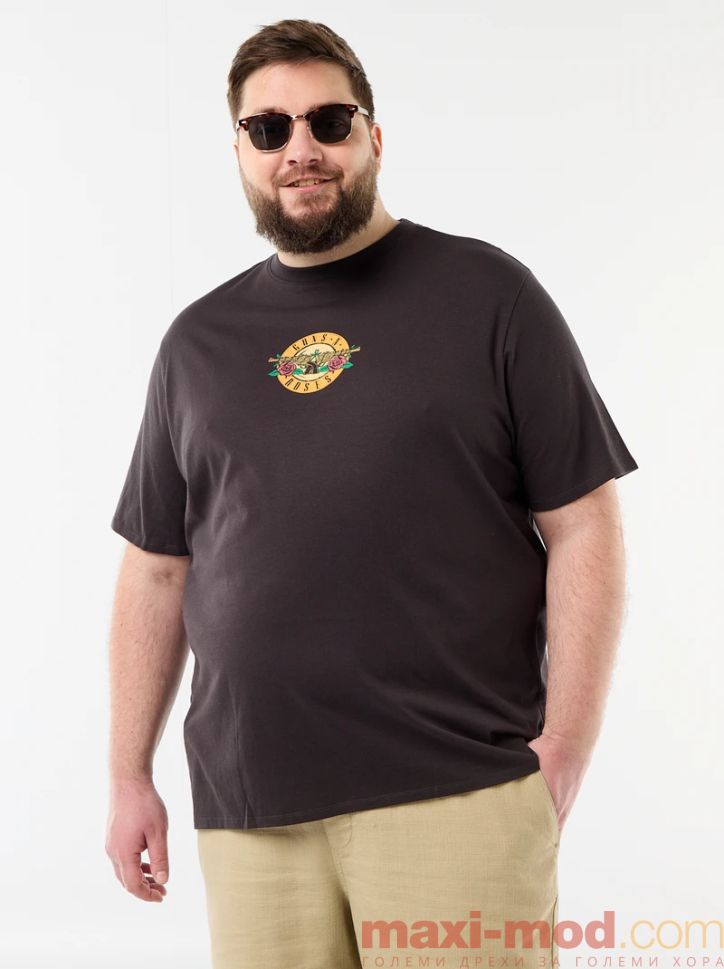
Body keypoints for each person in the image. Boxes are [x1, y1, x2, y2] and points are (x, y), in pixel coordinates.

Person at [105, 18, 639, 969]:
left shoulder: (490, 297)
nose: (300, 148)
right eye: (269, 128)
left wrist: (564, 744)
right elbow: (155, 570)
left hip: (454, 791)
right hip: (252, 809)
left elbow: (584, 522)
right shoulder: (196, 344)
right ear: (240, 151)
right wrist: (126, 773)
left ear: (374, 136)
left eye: (329, 120)